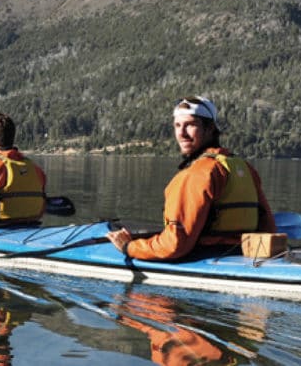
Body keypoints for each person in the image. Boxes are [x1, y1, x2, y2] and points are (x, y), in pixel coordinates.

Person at [107, 96, 276, 260]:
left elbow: (175, 245)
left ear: (210, 129)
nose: (181, 133)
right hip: (242, 254)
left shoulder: (197, 174)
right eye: (177, 125)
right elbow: (269, 228)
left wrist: (129, 247)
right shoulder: (244, 167)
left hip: (205, 256)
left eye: (190, 125)